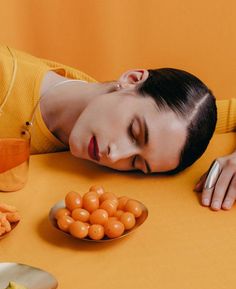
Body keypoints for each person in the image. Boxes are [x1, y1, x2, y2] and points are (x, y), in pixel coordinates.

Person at [0, 44, 230, 210]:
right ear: (131, 80)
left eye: (136, 163)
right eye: (133, 131)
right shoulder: (6, 78)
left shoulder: (172, 126)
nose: (115, 155)